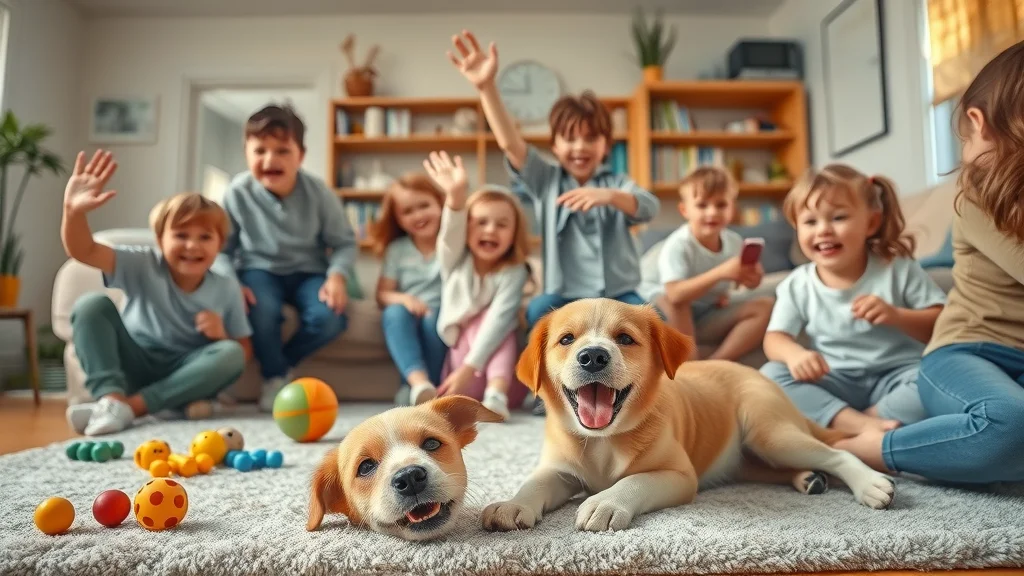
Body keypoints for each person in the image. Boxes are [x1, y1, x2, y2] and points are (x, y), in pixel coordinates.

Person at [836, 41, 1024, 483]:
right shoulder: (979, 195)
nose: (966, 148)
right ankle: (873, 450)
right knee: (1010, 425)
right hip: (967, 354)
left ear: (978, 122)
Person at [447, 30, 659, 414]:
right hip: (564, 297)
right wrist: (487, 87)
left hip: (618, 296)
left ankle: (639, 393)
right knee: (538, 310)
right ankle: (550, 391)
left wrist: (609, 196)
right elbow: (511, 144)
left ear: (605, 146)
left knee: (650, 318)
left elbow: (648, 206)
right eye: (569, 139)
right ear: (556, 145)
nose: (579, 147)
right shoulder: (547, 182)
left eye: (590, 139)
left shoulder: (616, 183)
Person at [62, 150, 250, 436]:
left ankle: (129, 408)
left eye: (205, 237)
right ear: (160, 240)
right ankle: (111, 398)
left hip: (183, 375)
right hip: (134, 361)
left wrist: (221, 334)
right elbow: (83, 250)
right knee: (91, 305)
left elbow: (243, 351)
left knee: (231, 352)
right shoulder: (143, 263)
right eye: (181, 235)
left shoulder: (226, 286)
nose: (192, 246)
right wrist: (73, 212)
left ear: (220, 244)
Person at [760, 164, 946, 434]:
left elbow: (941, 323)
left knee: (939, 376)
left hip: (898, 376)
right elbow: (775, 338)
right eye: (810, 222)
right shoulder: (798, 284)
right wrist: (795, 355)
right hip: (834, 378)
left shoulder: (897, 268)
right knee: (771, 376)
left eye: (838, 218)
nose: (823, 230)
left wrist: (897, 316)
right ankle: (857, 425)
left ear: (870, 223)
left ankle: (863, 422)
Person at [216, 104, 357, 411]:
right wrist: (231, 284)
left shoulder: (320, 193)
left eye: (282, 150)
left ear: (300, 156)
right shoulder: (236, 192)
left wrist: (337, 276)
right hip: (258, 269)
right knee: (260, 309)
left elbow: (344, 243)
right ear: (247, 153)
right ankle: (275, 376)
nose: (270, 160)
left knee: (330, 317)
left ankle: (281, 364)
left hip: (310, 272)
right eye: (260, 150)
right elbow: (222, 250)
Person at [424, 150, 531, 420]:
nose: (491, 230)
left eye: (501, 225)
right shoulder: (455, 262)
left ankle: (496, 397)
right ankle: (493, 395)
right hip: (461, 377)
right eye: (481, 222)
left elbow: (499, 319)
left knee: (499, 324)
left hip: (504, 382)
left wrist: (472, 369)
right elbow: (449, 236)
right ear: (467, 229)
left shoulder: (514, 271)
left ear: (513, 235)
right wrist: (456, 196)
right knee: (479, 321)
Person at [641, 166, 773, 361]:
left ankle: (717, 361)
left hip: (705, 312)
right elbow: (675, 294)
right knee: (675, 300)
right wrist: (721, 273)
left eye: (721, 205)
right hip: (666, 312)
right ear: (685, 210)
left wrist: (753, 277)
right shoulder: (679, 245)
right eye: (702, 205)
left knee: (765, 305)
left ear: (732, 208)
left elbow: (745, 283)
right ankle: (690, 359)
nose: (712, 212)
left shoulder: (734, 242)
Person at [368, 173, 448, 406]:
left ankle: (425, 387)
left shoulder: (451, 242)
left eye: (424, 206)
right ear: (398, 219)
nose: (418, 215)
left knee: (433, 321)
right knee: (394, 312)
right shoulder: (397, 250)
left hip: (443, 313)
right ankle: (418, 383)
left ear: (440, 204)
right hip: (409, 311)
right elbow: (382, 294)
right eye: (407, 211)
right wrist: (404, 299)